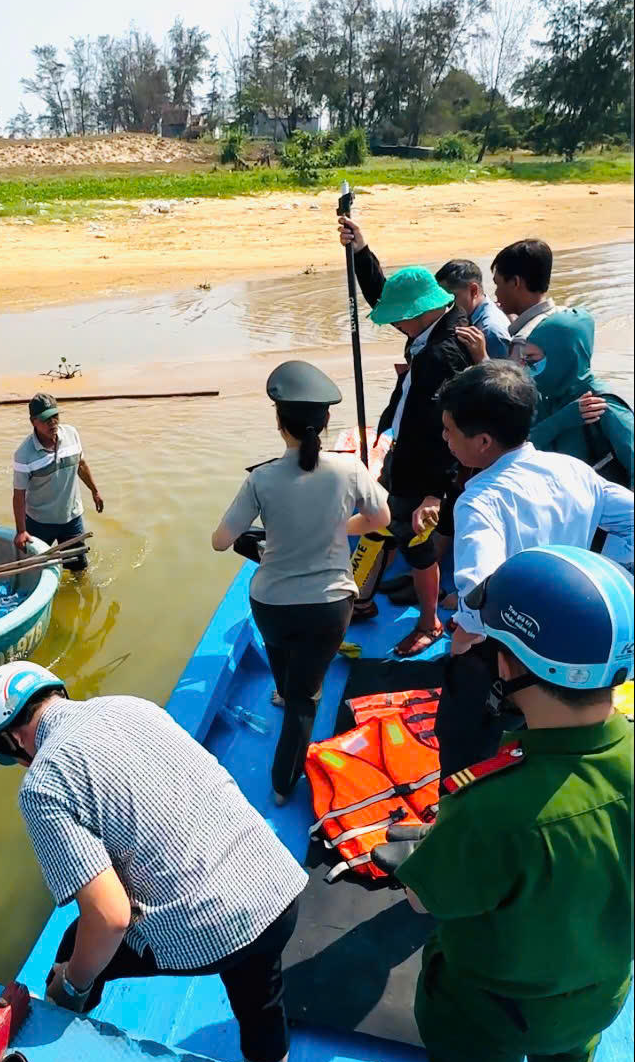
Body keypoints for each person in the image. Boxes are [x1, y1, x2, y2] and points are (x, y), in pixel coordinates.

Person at [385, 547, 633, 1062]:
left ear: (511, 662)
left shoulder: (493, 806)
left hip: (489, 1007)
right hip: (593, 992)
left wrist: (417, 854)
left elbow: (424, 895)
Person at [0, 660, 308, 1062]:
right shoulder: (131, 706)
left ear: (10, 741)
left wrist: (72, 985)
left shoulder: (42, 785)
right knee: (260, 990)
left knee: (77, 944)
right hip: (276, 886)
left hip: (213, 927)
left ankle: (49, 1055)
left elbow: (111, 917)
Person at [418, 362, 634, 779]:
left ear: (482, 441)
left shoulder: (480, 499)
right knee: (529, 728)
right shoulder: (571, 468)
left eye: (448, 430)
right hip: (562, 635)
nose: (443, 438)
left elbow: (481, 591)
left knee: (462, 739)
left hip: (505, 647)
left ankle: (458, 818)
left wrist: (463, 634)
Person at [211, 361, 390, 802]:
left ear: (279, 422)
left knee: (285, 666)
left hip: (271, 603)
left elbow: (221, 541)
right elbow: (380, 519)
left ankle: (281, 750)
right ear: (327, 422)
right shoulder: (349, 471)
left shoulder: (262, 477)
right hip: (328, 606)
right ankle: (282, 783)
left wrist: (271, 536)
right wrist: (335, 528)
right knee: (305, 699)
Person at [338, 217, 471, 656]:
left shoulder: (444, 353)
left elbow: (455, 427)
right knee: (384, 519)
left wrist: (436, 492)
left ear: (419, 312)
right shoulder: (430, 324)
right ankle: (367, 594)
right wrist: (361, 251)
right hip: (405, 451)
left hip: (427, 468)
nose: (395, 326)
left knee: (419, 546)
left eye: (400, 321)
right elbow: (383, 296)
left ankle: (429, 622)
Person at [523, 308, 634, 489]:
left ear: (562, 357)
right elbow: (518, 451)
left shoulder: (603, 406)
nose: (526, 367)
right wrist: (559, 421)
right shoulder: (545, 397)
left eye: (532, 360)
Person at [12, 394, 103, 572]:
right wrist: (21, 531)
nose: (52, 422)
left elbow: (81, 465)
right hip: (39, 522)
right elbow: (19, 495)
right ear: (33, 422)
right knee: (35, 569)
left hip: (71, 518)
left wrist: (95, 491)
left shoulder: (71, 434)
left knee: (78, 570)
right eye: (46, 419)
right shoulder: (23, 455)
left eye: (55, 416)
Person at [489, 238, 556, 360]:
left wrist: (481, 357)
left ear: (515, 283)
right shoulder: (576, 319)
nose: (496, 293)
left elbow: (509, 379)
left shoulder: (522, 345)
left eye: (498, 285)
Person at [435, 259, 512, 361]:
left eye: (451, 298)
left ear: (473, 290)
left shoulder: (491, 331)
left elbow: (503, 375)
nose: (446, 306)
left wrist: (481, 358)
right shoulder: (472, 316)